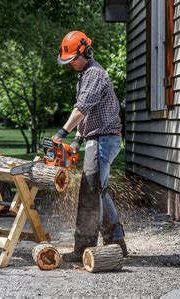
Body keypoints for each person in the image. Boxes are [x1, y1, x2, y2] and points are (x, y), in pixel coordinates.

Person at [52, 30, 127, 262]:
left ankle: (84, 246)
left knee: (90, 190)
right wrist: (76, 140)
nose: (71, 63)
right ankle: (116, 243)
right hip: (97, 138)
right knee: (98, 189)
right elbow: (86, 114)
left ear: (85, 51)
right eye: (69, 60)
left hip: (104, 138)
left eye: (74, 58)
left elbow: (82, 108)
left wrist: (62, 133)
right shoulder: (84, 75)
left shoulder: (94, 73)